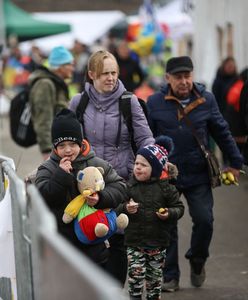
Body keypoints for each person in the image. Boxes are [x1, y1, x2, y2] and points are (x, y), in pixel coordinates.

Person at [147, 56, 243, 292]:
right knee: (166, 223)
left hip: (198, 173)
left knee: (204, 221)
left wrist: (235, 162)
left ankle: (197, 260)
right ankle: (170, 275)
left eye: (187, 76)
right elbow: (146, 138)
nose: (184, 81)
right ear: (168, 78)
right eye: (178, 77)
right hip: (166, 175)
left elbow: (222, 132)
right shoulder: (154, 102)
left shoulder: (206, 99)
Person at [69, 49, 155, 286]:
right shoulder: (78, 102)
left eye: (114, 72)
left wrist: (151, 160)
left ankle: (114, 290)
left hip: (120, 181)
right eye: (105, 73)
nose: (110, 78)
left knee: (117, 239)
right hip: (86, 183)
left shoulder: (130, 101)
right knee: (89, 236)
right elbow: (67, 140)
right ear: (91, 75)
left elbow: (146, 138)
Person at [35, 108, 127, 268]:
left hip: (93, 243)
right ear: (55, 148)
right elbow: (42, 196)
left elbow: (120, 187)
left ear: (81, 142)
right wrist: (60, 175)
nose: (68, 150)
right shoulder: (48, 168)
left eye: (72, 144)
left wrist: (100, 198)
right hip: (62, 243)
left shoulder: (96, 163)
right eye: (62, 145)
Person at [117, 136, 184, 300]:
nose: (138, 168)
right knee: (135, 279)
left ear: (155, 169)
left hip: (158, 243)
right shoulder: (130, 186)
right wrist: (126, 208)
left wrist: (168, 213)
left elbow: (179, 208)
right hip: (134, 242)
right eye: (136, 164)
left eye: (143, 165)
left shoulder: (166, 188)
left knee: (154, 284)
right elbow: (117, 205)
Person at [29, 46, 74, 160]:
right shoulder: (46, 84)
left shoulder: (57, 83)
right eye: (69, 64)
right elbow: (42, 119)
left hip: (61, 146)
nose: (72, 68)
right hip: (53, 148)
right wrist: (46, 150)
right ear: (59, 67)